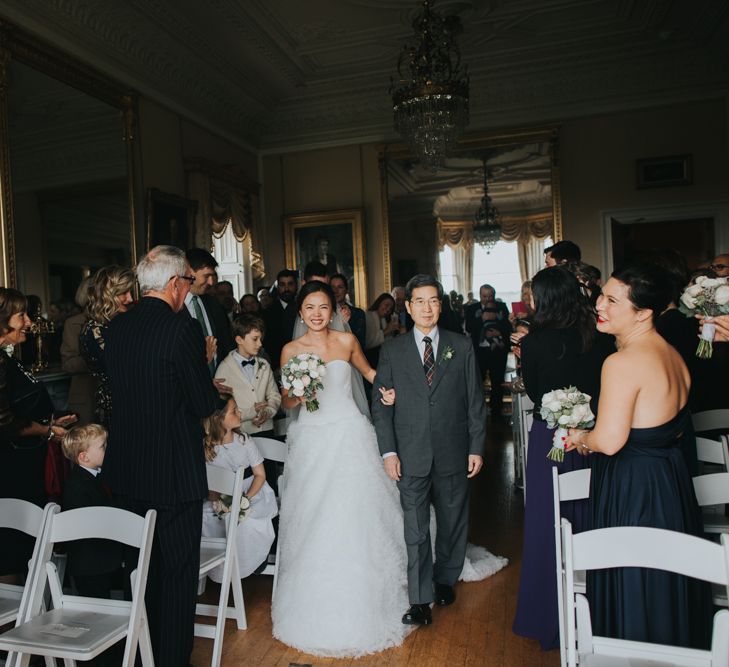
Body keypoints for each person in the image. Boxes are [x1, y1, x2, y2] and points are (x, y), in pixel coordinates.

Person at [565, 264, 712, 650]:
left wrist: (582, 437)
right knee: (666, 580)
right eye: (602, 295)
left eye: (613, 300)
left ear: (643, 313)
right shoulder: (673, 356)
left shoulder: (621, 363)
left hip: (634, 487)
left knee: (636, 578)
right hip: (671, 482)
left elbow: (611, 441)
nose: (600, 304)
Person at [271, 281, 407, 656]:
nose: (317, 314)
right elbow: (286, 399)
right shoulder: (290, 350)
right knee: (314, 518)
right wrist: (298, 392)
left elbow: (369, 373)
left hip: (349, 433)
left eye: (323, 307)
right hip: (312, 438)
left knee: (355, 514)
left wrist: (392, 389)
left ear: (335, 311)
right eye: (310, 308)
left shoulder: (346, 343)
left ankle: (368, 595)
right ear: (301, 313)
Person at [104, 245, 219, 667]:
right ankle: (170, 660)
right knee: (175, 575)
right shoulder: (180, 329)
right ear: (174, 284)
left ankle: (142, 655)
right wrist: (203, 361)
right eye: (188, 282)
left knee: (141, 568)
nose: (189, 290)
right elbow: (203, 401)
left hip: (128, 468)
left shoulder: (116, 326)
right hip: (172, 472)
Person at [372, 275, 487, 627]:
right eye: (419, 301)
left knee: (453, 520)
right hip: (410, 452)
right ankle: (419, 599)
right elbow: (381, 406)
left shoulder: (461, 345)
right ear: (408, 307)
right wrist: (389, 452)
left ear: (441, 305)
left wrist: (477, 447)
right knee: (416, 528)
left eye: (433, 301)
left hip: (454, 448)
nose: (427, 308)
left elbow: (474, 401)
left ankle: (444, 579)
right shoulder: (392, 350)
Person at [512, 266, 614, 650]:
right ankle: (597, 615)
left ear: (544, 299)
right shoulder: (598, 337)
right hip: (594, 436)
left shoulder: (535, 342)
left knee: (546, 524)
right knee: (592, 518)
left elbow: (537, 393)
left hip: (550, 440)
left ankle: (548, 620)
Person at [0, 288, 73, 578]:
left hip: (22, 463)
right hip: (10, 469)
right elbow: (4, 423)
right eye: (21, 315)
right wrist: (47, 430)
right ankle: (17, 618)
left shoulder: (7, 358)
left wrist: (49, 419)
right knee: (12, 546)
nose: (29, 322)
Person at [201, 397, 278, 579]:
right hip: (222, 496)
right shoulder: (206, 447)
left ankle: (252, 561)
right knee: (207, 517)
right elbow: (209, 483)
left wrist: (245, 499)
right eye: (234, 411)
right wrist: (217, 500)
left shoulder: (244, 441)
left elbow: (260, 475)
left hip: (251, 491)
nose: (240, 413)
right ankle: (218, 568)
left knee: (248, 521)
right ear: (219, 419)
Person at [61, 424, 124, 599]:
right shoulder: (78, 484)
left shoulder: (93, 477)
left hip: (98, 558)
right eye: (103, 446)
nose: (107, 449)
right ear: (84, 457)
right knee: (94, 601)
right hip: (89, 560)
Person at [80, 266, 135, 427]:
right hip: (116, 407)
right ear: (106, 296)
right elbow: (124, 367)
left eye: (130, 291)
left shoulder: (121, 323)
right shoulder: (94, 331)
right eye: (123, 293)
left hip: (132, 403)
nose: (130, 298)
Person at [215, 315, 281, 436]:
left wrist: (267, 412)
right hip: (240, 432)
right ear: (239, 340)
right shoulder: (224, 368)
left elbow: (274, 395)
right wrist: (251, 412)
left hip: (267, 429)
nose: (260, 343)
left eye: (261, 339)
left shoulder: (264, 364)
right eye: (255, 339)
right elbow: (221, 410)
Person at [464, 284, 511, 422]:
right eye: (485, 296)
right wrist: (482, 319)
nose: (488, 299)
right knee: (478, 383)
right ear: (480, 296)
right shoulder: (472, 308)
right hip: (480, 352)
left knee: (498, 383)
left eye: (490, 296)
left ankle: (497, 412)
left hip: (497, 352)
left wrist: (499, 331)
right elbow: (469, 327)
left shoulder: (501, 307)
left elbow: (508, 326)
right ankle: (478, 413)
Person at [184, 248, 235, 374]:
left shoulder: (213, 304)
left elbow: (227, 344)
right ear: (190, 272)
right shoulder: (174, 308)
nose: (211, 282)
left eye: (212, 276)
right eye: (206, 276)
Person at [61, 277, 96, 424]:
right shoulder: (73, 323)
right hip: (86, 398)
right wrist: (96, 358)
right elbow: (68, 364)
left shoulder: (117, 321)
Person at [262, 269, 298, 369]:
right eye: (282, 285)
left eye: (290, 284)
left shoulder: (303, 310)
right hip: (275, 366)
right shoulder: (267, 313)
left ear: (296, 286)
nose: (286, 288)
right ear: (278, 287)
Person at [330, 273, 366, 350]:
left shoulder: (358, 313)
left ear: (346, 290)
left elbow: (360, 344)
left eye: (340, 287)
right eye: (332, 287)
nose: (335, 291)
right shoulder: (323, 313)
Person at [364, 292, 400, 369]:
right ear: (379, 303)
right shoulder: (367, 317)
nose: (388, 310)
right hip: (370, 362)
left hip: (384, 362)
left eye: (390, 308)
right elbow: (367, 342)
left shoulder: (386, 320)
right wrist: (387, 330)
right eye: (386, 305)